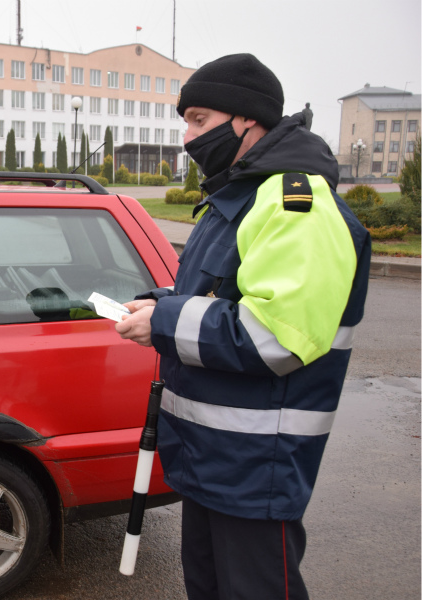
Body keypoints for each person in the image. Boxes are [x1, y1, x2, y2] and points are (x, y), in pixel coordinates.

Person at [115, 53, 370, 599]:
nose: (188, 137)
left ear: (246, 119)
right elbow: (217, 296)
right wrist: (158, 304)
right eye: (185, 121)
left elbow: (275, 337)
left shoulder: (294, 205)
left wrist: (165, 319)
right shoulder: (237, 197)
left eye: (200, 120)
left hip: (256, 467)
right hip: (213, 459)